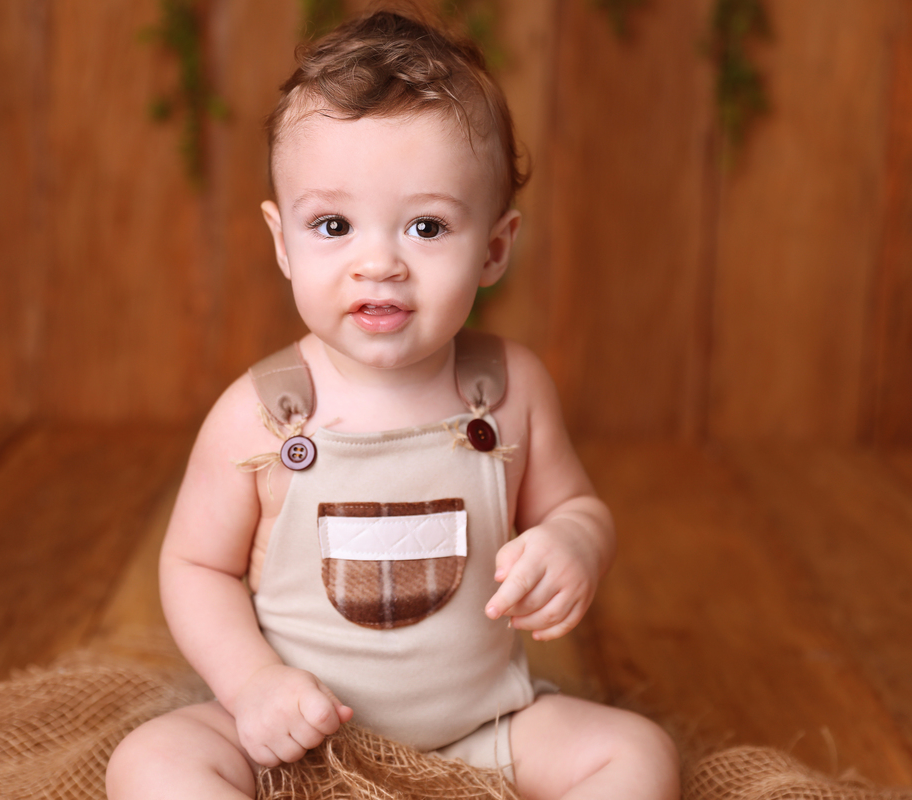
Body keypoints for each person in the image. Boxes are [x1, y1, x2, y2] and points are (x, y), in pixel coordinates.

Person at [107, 9, 679, 800]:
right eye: (333, 224)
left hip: (479, 733)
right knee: (150, 762)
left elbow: (575, 506)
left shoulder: (509, 391)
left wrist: (574, 543)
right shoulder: (261, 414)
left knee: (637, 754)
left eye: (426, 226)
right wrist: (254, 684)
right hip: (296, 741)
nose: (379, 263)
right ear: (282, 241)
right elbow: (195, 566)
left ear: (494, 248)